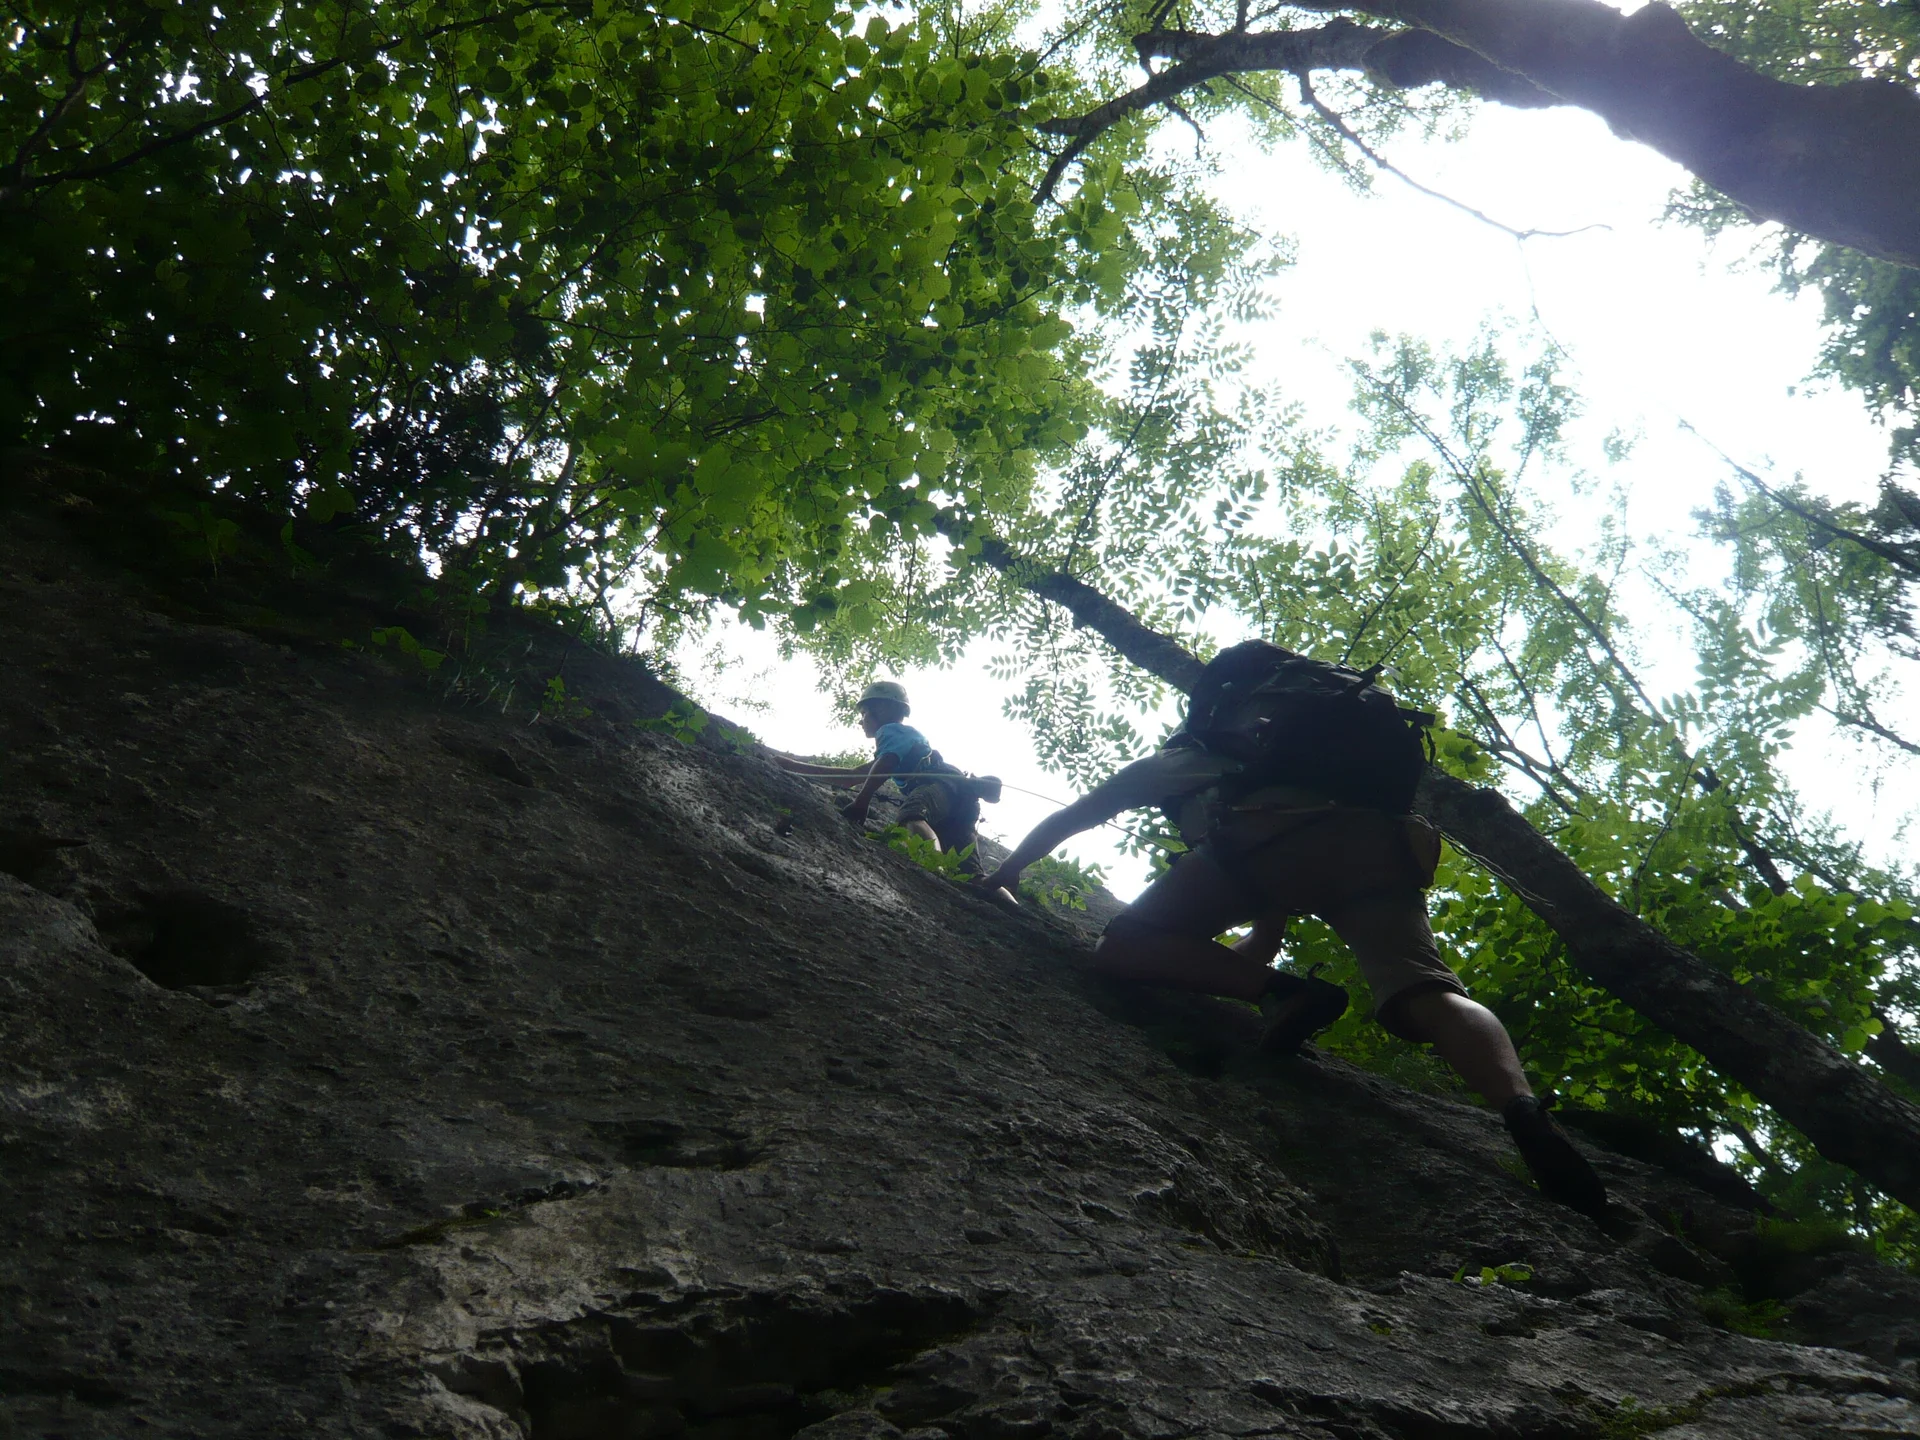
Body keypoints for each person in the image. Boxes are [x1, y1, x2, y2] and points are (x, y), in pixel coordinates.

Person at [973, 641, 1609, 1218]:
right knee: (1427, 991)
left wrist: (1004, 872)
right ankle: (1523, 1112)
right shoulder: (1317, 749)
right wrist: (1257, 970)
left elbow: (1079, 816)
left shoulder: (1188, 758)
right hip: (1381, 845)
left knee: (1123, 946)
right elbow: (1267, 933)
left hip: (1270, 838)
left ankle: (1294, 996)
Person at [775, 680, 991, 859]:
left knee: (912, 817)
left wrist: (862, 801)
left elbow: (885, 763)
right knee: (973, 874)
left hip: (938, 786)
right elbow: (852, 777)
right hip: (959, 798)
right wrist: (793, 767)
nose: (861, 721)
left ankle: (934, 869)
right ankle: (1003, 899)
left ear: (883, 709)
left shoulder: (891, 731)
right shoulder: (903, 743)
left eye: (865, 713)